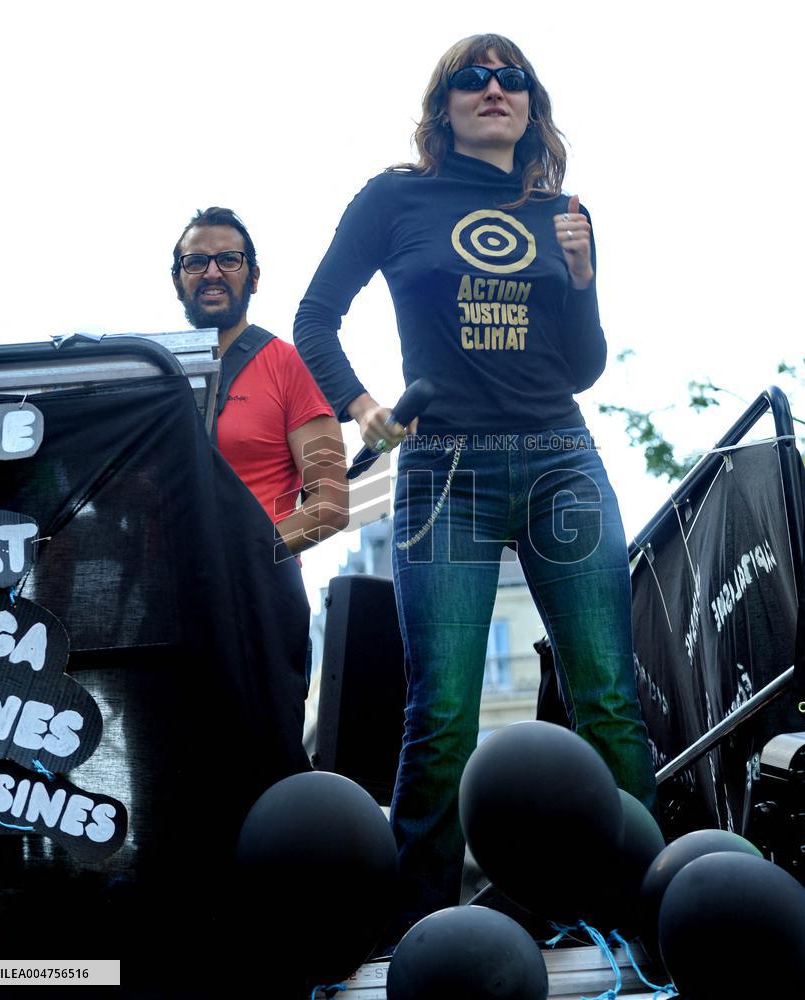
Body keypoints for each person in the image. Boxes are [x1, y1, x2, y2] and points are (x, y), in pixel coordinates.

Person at [294, 34, 657, 934]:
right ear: (444, 105)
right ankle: (420, 931)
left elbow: (581, 367)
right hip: (445, 471)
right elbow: (315, 319)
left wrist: (583, 277)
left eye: (512, 78)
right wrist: (361, 406)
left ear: (531, 105)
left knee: (608, 699)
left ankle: (639, 917)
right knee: (443, 711)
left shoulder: (564, 211)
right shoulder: (394, 198)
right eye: (473, 78)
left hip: (559, 458)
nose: (494, 89)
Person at [173, 207, 348, 555]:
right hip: (164, 583)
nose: (212, 272)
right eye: (196, 262)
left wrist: (245, 558)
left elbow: (331, 505)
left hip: (258, 582)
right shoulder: (157, 372)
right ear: (177, 282)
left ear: (253, 278)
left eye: (228, 259)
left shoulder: (290, 365)